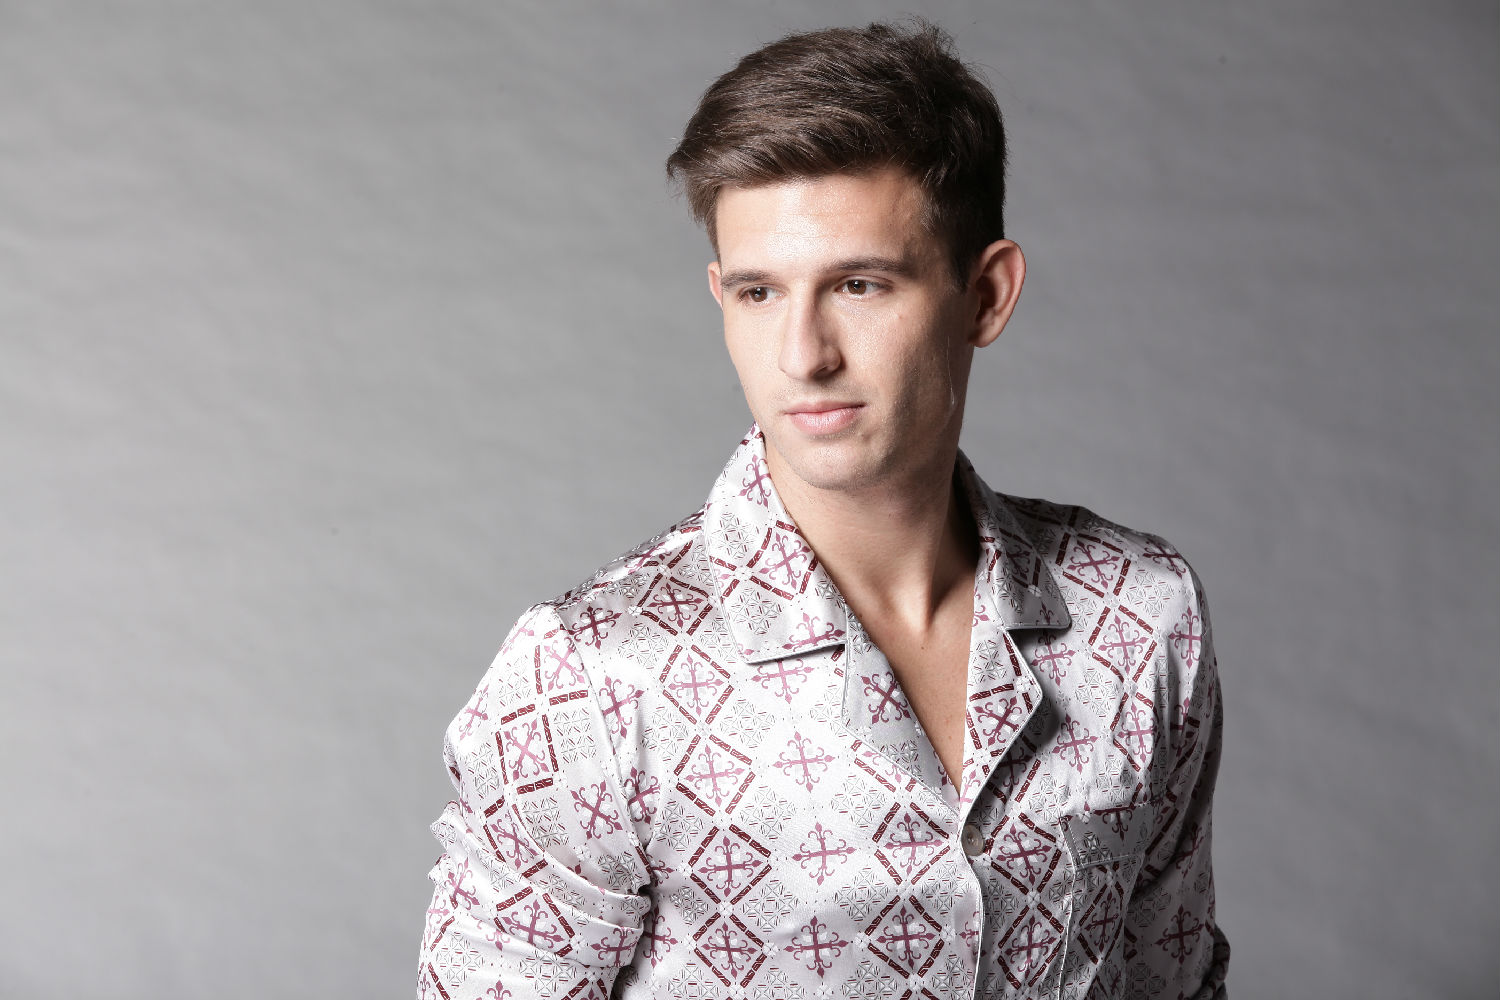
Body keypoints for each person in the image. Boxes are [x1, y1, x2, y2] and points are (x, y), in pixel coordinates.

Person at [418, 20, 1228, 999]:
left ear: (985, 295)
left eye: (859, 284)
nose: (804, 355)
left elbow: (1176, 980)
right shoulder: (592, 677)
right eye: (759, 293)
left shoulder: (1138, 616)